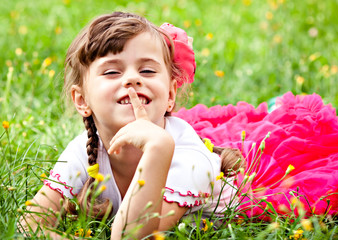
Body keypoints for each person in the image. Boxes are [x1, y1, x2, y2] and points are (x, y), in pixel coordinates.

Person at [20, 11, 240, 239]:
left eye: (147, 70)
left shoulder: (190, 160)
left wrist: (158, 147)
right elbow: (29, 224)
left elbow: (131, 236)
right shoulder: (84, 150)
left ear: (171, 94)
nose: (133, 79)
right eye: (112, 71)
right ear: (82, 100)